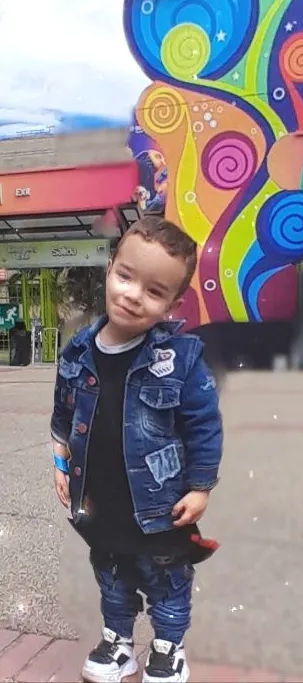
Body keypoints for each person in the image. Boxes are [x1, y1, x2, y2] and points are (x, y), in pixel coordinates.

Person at [51, 216, 223, 683]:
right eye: (126, 276)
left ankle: (168, 648)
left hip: (158, 507)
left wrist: (201, 487)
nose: (132, 294)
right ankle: (118, 642)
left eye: (153, 290)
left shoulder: (180, 359)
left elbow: (204, 426)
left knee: (165, 579)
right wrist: (59, 462)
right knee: (110, 572)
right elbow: (63, 417)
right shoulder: (76, 352)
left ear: (172, 303)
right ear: (110, 268)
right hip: (99, 501)